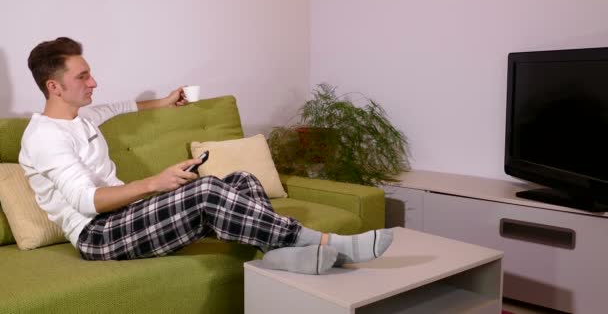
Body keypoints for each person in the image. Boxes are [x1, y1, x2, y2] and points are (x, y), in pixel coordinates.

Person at [19, 37, 393, 275]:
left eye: (91, 73)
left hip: (125, 217)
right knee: (207, 190)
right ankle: (322, 242)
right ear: (54, 86)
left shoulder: (79, 117)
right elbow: (88, 200)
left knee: (243, 179)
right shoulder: (45, 137)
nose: (93, 82)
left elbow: (119, 107)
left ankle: (277, 254)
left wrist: (163, 102)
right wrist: (155, 183)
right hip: (97, 235)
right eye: (83, 77)